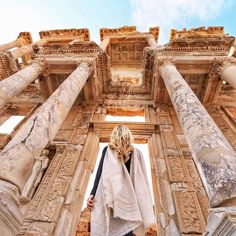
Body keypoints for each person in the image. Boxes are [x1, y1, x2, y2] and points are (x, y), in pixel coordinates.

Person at [87, 125, 156, 236]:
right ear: (129, 136)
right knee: (126, 231)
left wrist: (93, 194)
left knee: (108, 229)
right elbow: (141, 181)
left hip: (111, 197)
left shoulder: (108, 150)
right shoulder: (136, 153)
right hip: (129, 201)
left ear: (114, 135)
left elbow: (101, 175)